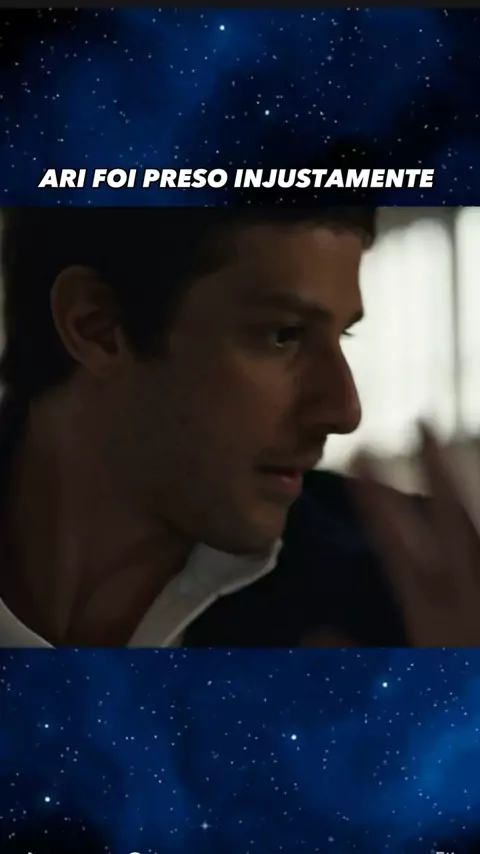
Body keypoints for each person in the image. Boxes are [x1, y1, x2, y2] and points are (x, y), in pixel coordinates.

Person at [0, 206, 477, 649]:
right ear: (98, 326)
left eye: (343, 335)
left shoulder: (404, 602)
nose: (344, 411)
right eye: (283, 334)